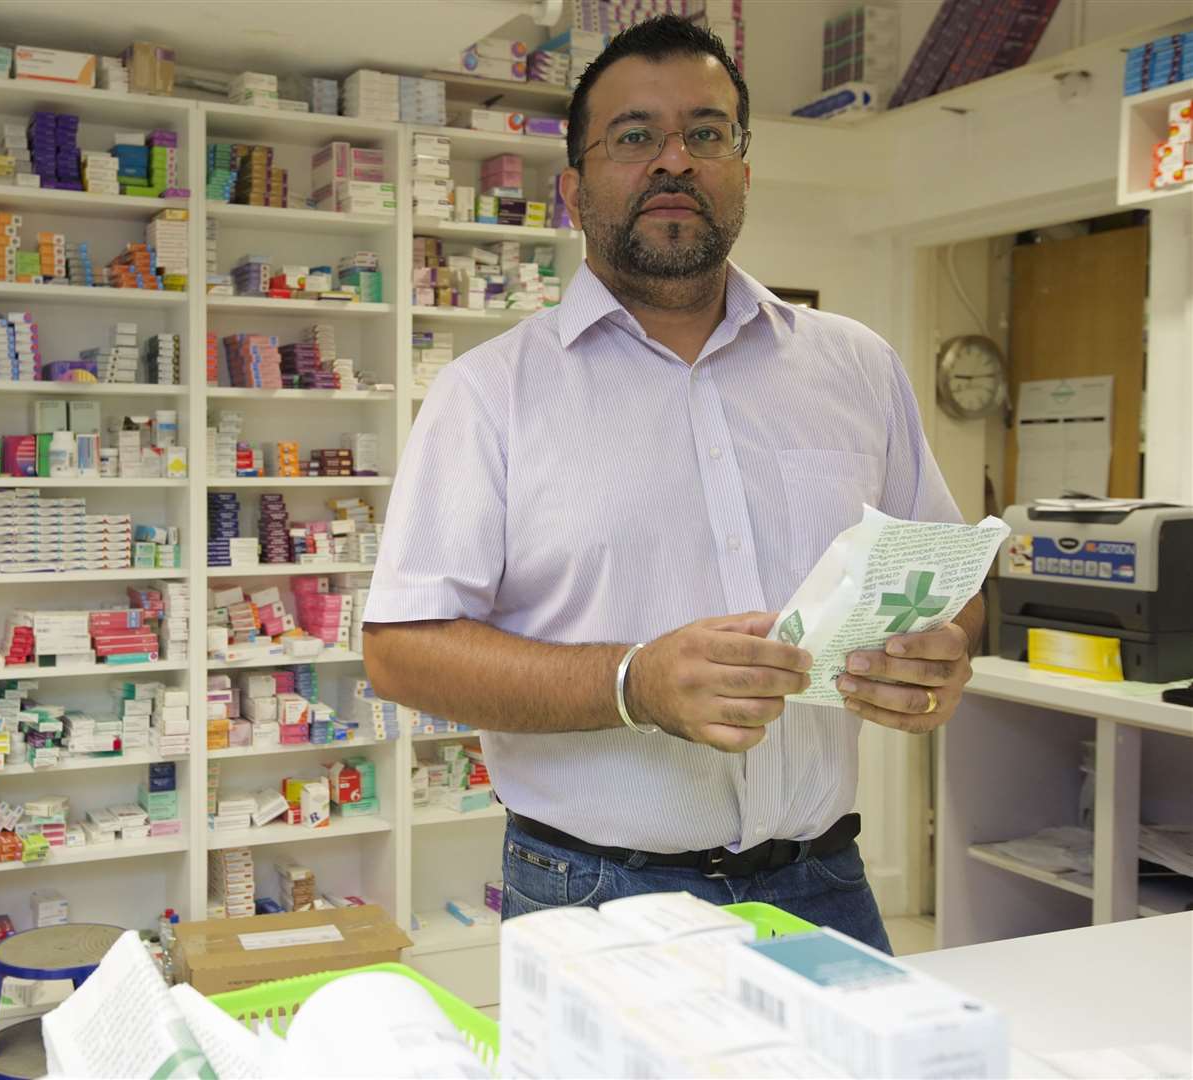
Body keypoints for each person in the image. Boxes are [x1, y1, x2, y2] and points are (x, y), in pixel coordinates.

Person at [362, 14, 983, 952]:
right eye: (634, 136)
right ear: (573, 189)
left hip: (824, 883)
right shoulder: (488, 393)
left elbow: (952, 580)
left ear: (741, 166)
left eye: (705, 132)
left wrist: (935, 655)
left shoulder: (855, 366)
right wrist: (630, 682)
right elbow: (401, 652)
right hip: (596, 895)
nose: (674, 161)